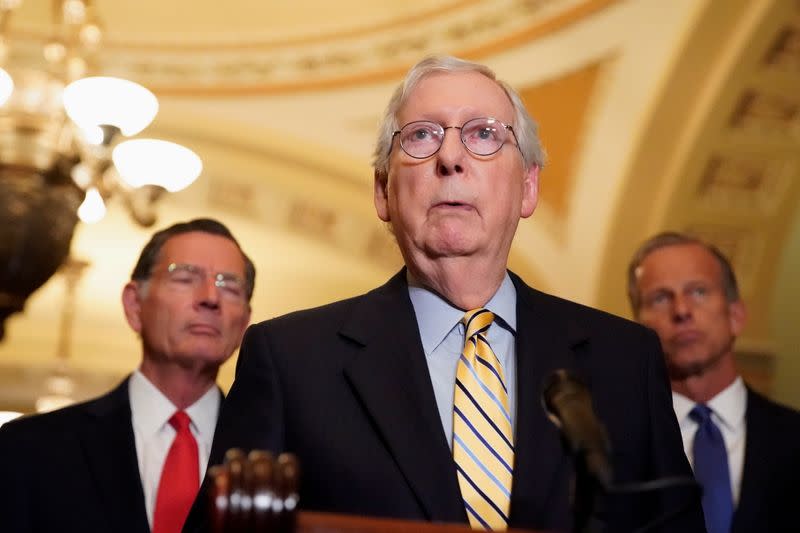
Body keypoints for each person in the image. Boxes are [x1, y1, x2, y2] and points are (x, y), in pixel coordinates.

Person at [185, 56, 704, 532]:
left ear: (527, 188)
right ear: (382, 191)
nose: (450, 157)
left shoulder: (626, 359)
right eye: (422, 136)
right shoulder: (289, 360)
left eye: (483, 134)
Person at [0, 218, 254, 533]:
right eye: (185, 277)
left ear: (244, 323)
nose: (210, 298)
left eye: (229, 286)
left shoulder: (271, 456)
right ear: (135, 305)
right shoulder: (28, 448)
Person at [628, 231, 800, 533]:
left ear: (736, 314)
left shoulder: (793, 437)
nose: (681, 311)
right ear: (636, 328)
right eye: (660, 298)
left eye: (698, 292)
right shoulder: (614, 445)